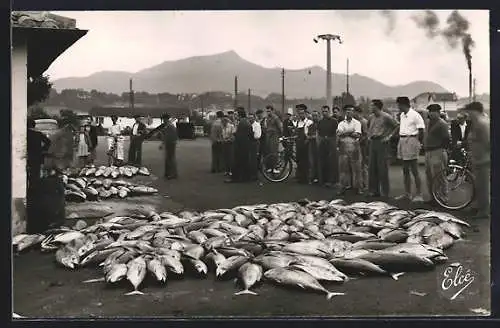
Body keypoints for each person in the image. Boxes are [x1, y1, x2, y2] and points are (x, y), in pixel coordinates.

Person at [395, 96, 426, 202]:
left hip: (412, 140)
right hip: (402, 140)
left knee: (414, 169)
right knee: (405, 169)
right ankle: (407, 194)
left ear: (403, 105)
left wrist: (418, 143)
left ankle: (419, 194)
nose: (398, 107)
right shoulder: (402, 115)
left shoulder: (415, 115)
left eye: (399, 105)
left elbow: (421, 130)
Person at [367, 99, 399, 197]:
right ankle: (374, 191)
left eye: (372, 106)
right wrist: (369, 136)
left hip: (382, 143)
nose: (370, 107)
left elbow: (397, 126)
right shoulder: (371, 117)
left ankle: (385, 192)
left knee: (382, 168)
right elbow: (369, 127)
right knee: (372, 168)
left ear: (377, 107)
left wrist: (389, 137)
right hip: (373, 142)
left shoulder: (386, 116)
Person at [464, 102, 490, 220]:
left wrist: (485, 158)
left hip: (483, 160)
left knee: (483, 186)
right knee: (478, 186)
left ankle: (484, 211)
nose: (467, 113)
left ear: (475, 111)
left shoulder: (482, 123)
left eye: (469, 111)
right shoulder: (476, 123)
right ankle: (478, 206)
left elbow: (488, 143)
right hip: (477, 159)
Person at [423, 104, 451, 204]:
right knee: (429, 175)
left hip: (437, 150)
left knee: (439, 175)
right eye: (429, 111)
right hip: (428, 151)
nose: (430, 113)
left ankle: (444, 198)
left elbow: (447, 139)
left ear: (438, 112)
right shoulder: (428, 122)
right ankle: (433, 197)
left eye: (433, 111)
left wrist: (442, 150)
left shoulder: (442, 124)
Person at [337, 105, 363, 195]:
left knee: (357, 169)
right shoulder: (341, 123)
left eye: (351, 111)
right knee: (343, 169)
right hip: (343, 146)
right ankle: (342, 188)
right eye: (347, 111)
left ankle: (358, 188)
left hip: (354, 146)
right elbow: (339, 134)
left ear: (353, 112)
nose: (349, 112)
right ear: (345, 112)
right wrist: (351, 132)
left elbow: (357, 134)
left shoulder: (357, 123)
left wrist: (345, 133)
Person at [226, 107, 253, 183]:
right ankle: (246, 178)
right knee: (245, 162)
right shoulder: (246, 122)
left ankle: (235, 178)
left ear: (240, 115)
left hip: (240, 145)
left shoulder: (242, 123)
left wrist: (235, 134)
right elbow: (250, 134)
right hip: (246, 144)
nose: (235, 116)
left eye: (236, 114)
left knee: (237, 162)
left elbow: (239, 135)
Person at [317, 105, 339, 187]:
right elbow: (319, 133)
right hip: (323, 142)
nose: (324, 113)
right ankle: (323, 180)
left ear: (329, 112)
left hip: (331, 142)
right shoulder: (320, 122)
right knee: (323, 161)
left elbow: (337, 133)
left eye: (326, 111)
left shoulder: (334, 121)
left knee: (331, 162)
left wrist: (336, 144)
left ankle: (332, 181)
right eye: (323, 111)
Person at [27, 118, 51, 188]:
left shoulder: (23, 134)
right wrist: (43, 150)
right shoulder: (38, 134)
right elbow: (48, 142)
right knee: (35, 174)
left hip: (25, 156)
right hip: (37, 156)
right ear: (34, 126)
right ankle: (33, 189)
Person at [294, 104, 313, 184]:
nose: (300, 115)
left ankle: (306, 178)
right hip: (298, 144)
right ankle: (300, 177)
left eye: (302, 113)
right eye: (299, 113)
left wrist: (307, 140)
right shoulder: (298, 122)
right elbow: (296, 133)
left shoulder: (309, 122)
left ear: (305, 113)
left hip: (306, 144)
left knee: (306, 161)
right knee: (299, 160)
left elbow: (311, 134)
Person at [353, 106, 370, 193]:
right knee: (357, 166)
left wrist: (359, 141)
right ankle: (358, 184)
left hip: (362, 146)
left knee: (363, 166)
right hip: (356, 146)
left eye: (354, 112)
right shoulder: (355, 122)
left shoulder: (363, 122)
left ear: (358, 113)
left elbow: (366, 135)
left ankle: (365, 184)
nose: (353, 114)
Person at [159, 113, 178, 179]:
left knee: (170, 158)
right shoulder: (169, 125)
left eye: (164, 119)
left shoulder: (169, 126)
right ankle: (168, 173)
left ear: (166, 119)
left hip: (171, 143)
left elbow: (168, 136)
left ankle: (172, 174)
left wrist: (163, 143)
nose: (163, 120)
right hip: (170, 143)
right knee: (168, 158)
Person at [265, 105, 283, 171]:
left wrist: (280, 136)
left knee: (274, 152)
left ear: (272, 111)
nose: (268, 113)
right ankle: (270, 167)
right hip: (268, 136)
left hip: (274, 137)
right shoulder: (267, 118)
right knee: (269, 152)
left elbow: (280, 127)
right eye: (267, 111)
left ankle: (275, 167)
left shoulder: (276, 118)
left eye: (269, 111)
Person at [308, 110, 321, 184]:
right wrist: (312, 137)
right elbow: (308, 135)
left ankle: (320, 178)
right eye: (313, 116)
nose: (314, 117)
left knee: (319, 162)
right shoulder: (311, 126)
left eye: (316, 116)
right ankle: (312, 177)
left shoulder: (321, 125)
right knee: (312, 162)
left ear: (319, 116)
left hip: (319, 145)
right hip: (312, 145)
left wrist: (314, 137)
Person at [248, 113, 262, 180]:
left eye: (251, 118)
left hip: (255, 143)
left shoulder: (257, 125)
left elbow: (257, 136)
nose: (250, 119)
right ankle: (250, 174)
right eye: (249, 118)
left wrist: (251, 134)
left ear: (254, 118)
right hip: (249, 143)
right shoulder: (248, 125)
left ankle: (255, 175)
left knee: (254, 159)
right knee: (250, 159)